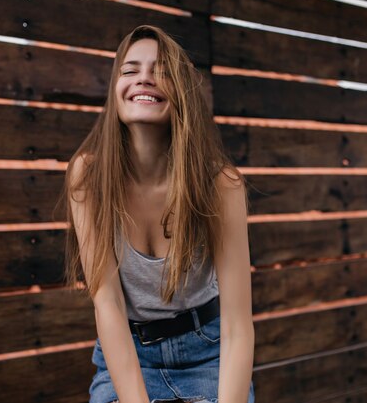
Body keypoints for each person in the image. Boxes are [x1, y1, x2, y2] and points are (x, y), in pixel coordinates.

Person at [59, 24, 255, 403]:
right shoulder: (88, 176)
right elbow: (109, 305)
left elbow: (237, 326)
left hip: (210, 355)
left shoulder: (220, 184)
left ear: (181, 93)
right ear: (115, 91)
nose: (144, 79)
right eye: (130, 70)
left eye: (161, 71)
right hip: (130, 358)